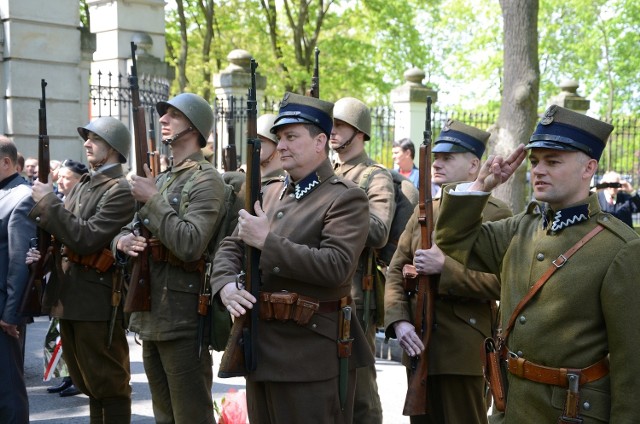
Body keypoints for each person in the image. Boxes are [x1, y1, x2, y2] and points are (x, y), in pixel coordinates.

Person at [433, 105, 640, 423]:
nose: (538, 170)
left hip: (572, 414)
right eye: (534, 162)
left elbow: (632, 369)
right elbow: (453, 242)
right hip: (511, 408)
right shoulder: (521, 228)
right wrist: (481, 188)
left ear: (589, 168)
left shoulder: (620, 248)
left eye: (552, 161)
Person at [211, 92, 373, 424]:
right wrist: (225, 285)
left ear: (320, 142)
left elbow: (336, 266)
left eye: (291, 136)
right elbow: (231, 247)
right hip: (260, 346)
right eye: (280, 137)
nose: (281, 144)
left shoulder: (345, 198)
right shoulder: (269, 191)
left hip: (310, 356)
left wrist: (267, 241)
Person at [384, 121, 512, 424]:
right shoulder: (425, 209)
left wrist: (446, 269)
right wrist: (399, 321)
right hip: (418, 342)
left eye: (447, 158)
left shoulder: (496, 213)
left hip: (463, 350)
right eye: (436, 157)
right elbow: (395, 270)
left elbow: (504, 281)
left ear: (474, 164)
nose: (437, 164)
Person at [114, 93, 226, 424]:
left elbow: (191, 243)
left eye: (173, 115)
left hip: (183, 317)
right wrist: (122, 241)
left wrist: (152, 199)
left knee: (191, 415)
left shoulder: (207, 179)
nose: (163, 120)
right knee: (164, 414)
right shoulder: (162, 178)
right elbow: (126, 228)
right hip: (152, 313)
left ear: (193, 127)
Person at [29, 116, 135, 422]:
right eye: (87, 138)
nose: (87, 143)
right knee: (89, 383)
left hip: (96, 301)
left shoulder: (119, 190)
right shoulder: (85, 183)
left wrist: (49, 203)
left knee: (109, 384)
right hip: (71, 297)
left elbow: (86, 238)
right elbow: (65, 234)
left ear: (113, 148)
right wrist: (43, 256)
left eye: (95, 139)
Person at [330, 96, 394, 424]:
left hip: (356, 297)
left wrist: (336, 201)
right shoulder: (324, 173)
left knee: (361, 391)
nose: (332, 131)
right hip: (322, 290)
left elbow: (380, 231)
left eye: (340, 125)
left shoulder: (374, 176)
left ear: (359, 132)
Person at [41, 158, 88, 397]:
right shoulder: (63, 201)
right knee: (58, 336)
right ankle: (68, 377)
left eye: (66, 177)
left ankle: (77, 379)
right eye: (59, 176)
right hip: (61, 278)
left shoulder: (80, 203)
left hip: (78, 283)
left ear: (80, 180)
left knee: (70, 336)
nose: (60, 180)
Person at [0, 136, 35, 424]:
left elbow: (19, 260)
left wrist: (12, 314)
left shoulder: (22, 196)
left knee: (8, 390)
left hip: (3, 311)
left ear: (6, 162)